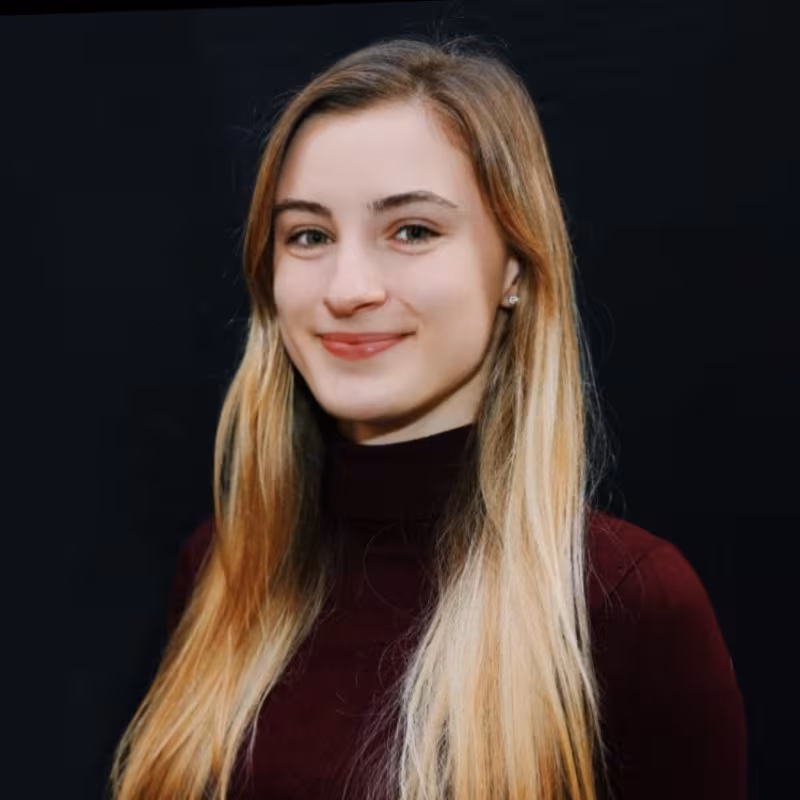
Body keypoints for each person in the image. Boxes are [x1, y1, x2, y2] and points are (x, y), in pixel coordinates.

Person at [109, 35, 746, 800]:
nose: (348, 287)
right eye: (308, 235)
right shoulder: (221, 571)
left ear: (514, 266)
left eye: (412, 230)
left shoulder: (626, 606)